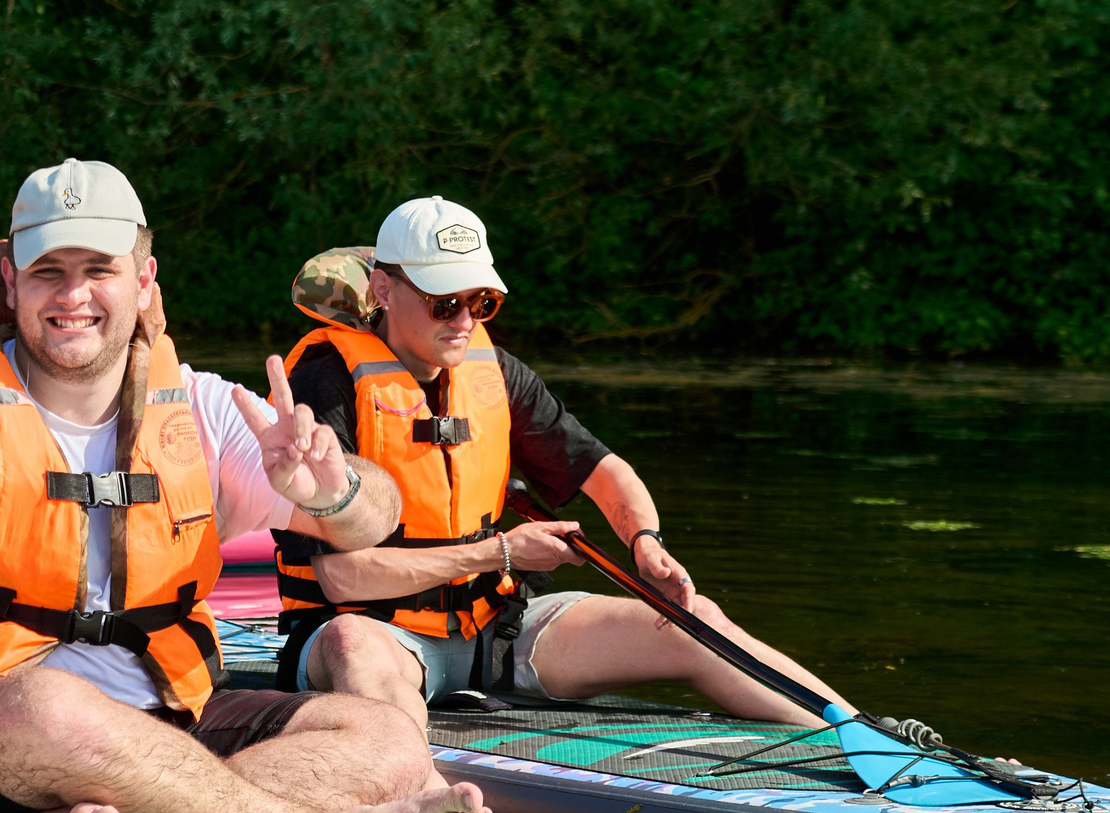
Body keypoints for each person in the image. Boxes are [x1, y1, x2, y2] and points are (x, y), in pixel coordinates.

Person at [0, 159, 491, 813]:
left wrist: (333, 489)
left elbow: (375, 519)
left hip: (166, 721)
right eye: (49, 272)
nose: (73, 295)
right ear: (11, 282)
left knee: (387, 736)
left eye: (99, 270)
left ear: (143, 281)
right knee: (44, 706)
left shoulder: (204, 408)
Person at [272, 196, 857, 729]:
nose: (465, 321)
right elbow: (340, 576)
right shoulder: (324, 382)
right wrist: (497, 553)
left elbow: (603, 470)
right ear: (383, 288)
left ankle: (875, 744)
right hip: (369, 633)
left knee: (691, 619)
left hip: (492, 632)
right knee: (354, 644)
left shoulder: (492, 370)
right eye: (444, 302)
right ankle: (414, 796)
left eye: (481, 302)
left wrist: (644, 540)